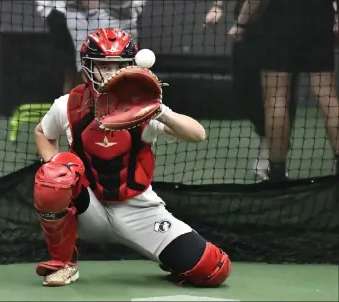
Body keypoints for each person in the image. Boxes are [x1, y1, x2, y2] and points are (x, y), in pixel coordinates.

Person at [34, 28, 231, 287]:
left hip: (137, 208)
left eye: (119, 66)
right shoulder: (68, 105)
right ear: (87, 68)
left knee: (213, 270)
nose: (111, 73)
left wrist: (159, 112)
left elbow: (197, 134)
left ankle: (168, 256)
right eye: (103, 66)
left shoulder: (143, 106)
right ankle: (64, 264)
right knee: (53, 175)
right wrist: (57, 171)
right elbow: (42, 132)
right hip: (88, 206)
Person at [232, 0, 339, 180]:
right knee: (326, 93)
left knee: (276, 97)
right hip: (320, 16)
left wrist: (241, 23)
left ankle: (277, 173)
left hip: (279, 17)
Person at [205, 0, 298, 181]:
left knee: (280, 95)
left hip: (282, 26)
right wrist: (219, 6)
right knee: (244, 89)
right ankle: (267, 139)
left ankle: (274, 158)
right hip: (249, 27)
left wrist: (241, 23)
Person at [36, 0, 144, 94]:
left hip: (116, 11)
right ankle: (85, 108)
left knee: (116, 64)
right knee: (83, 67)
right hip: (75, 10)